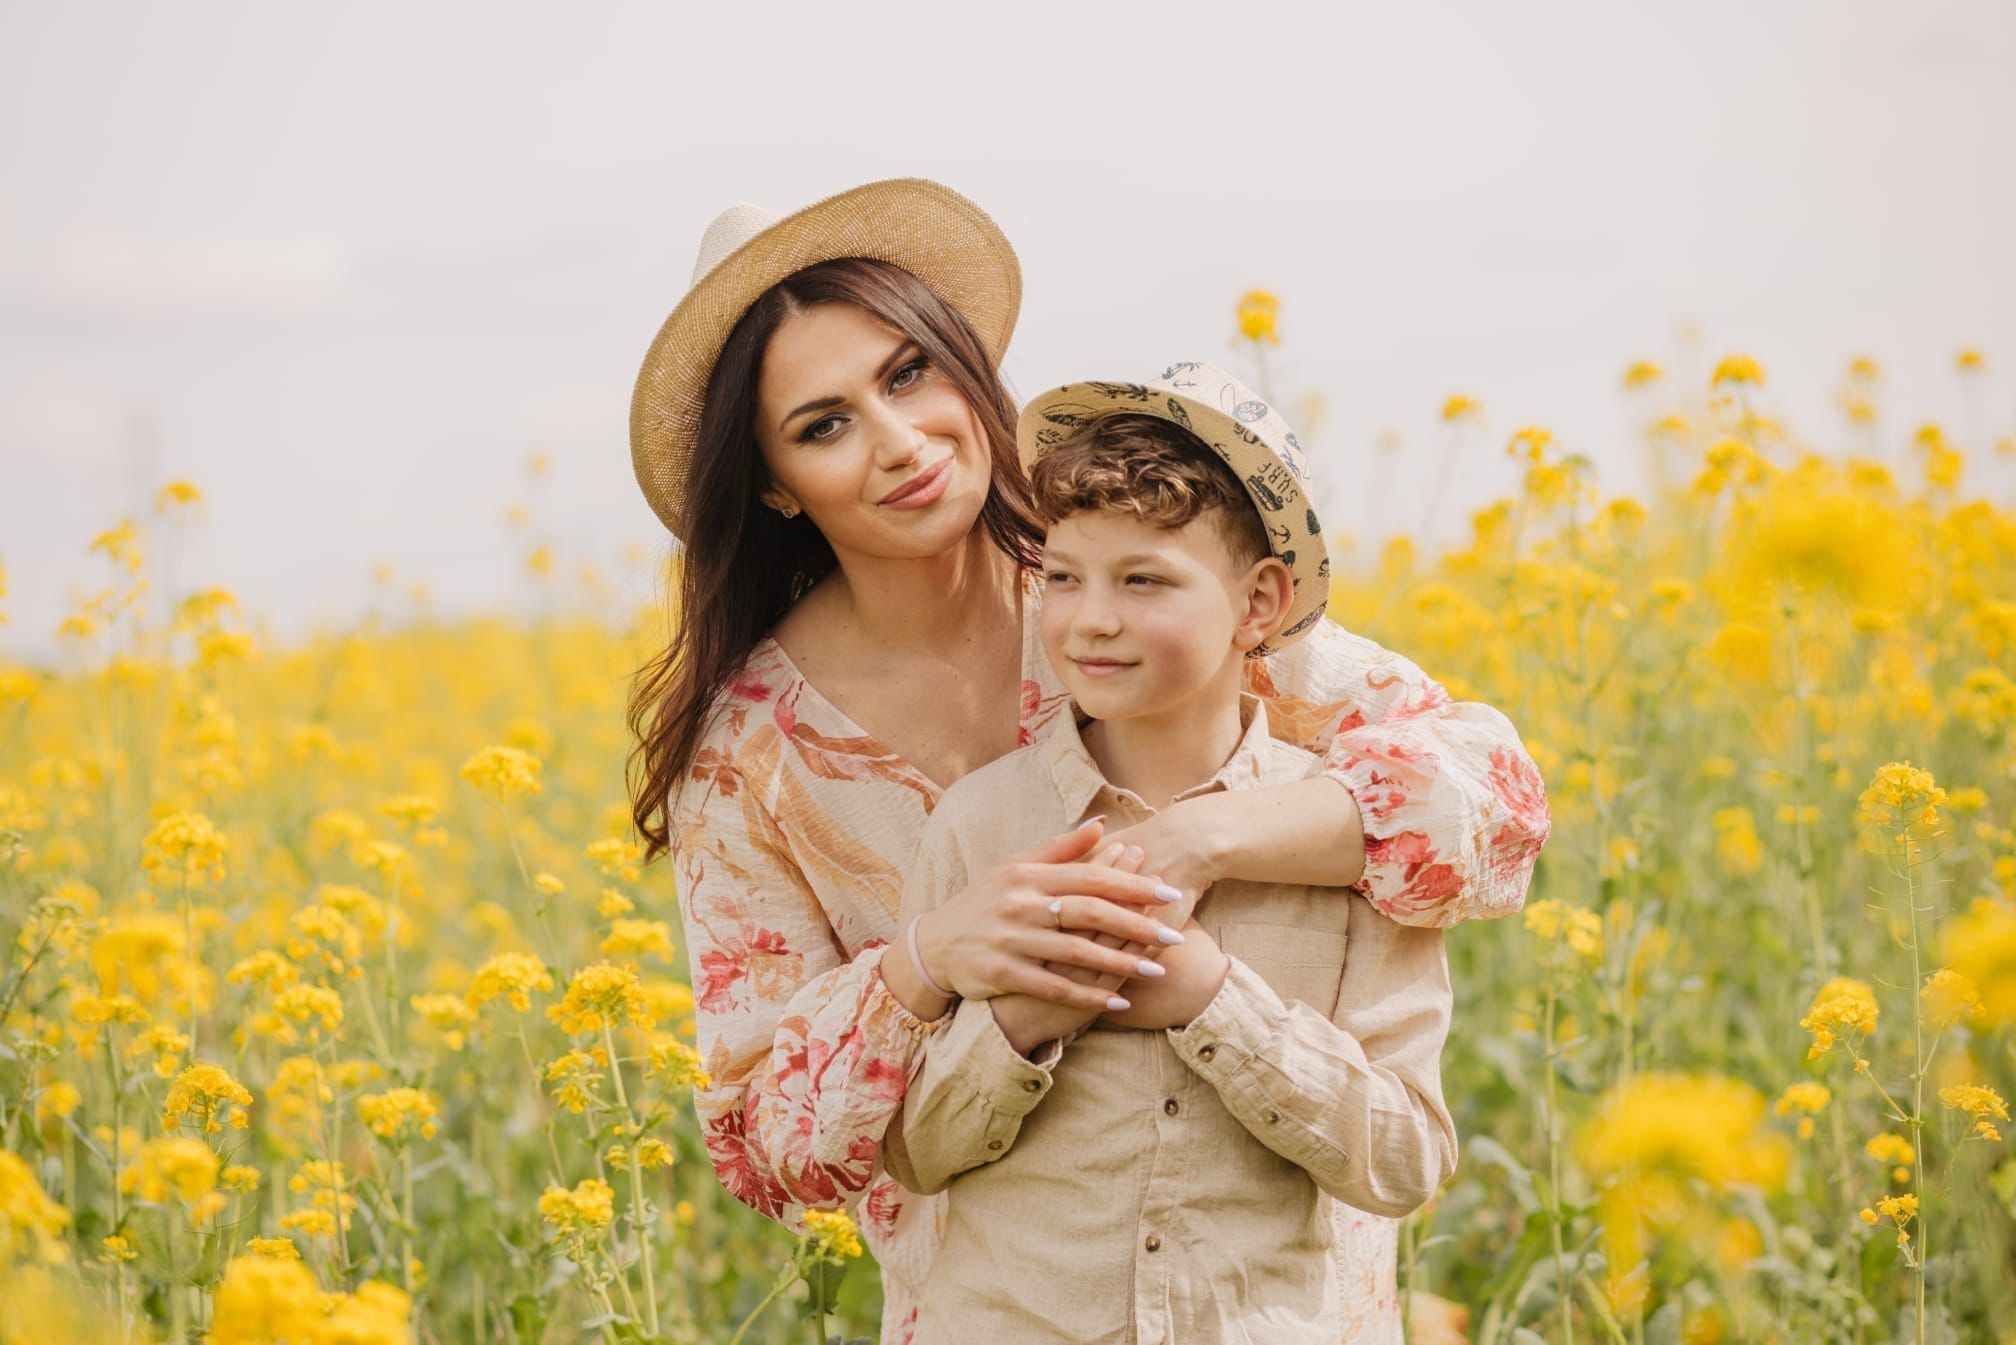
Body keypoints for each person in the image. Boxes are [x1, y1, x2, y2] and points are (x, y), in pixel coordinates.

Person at [625, 178, 1551, 1344]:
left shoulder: (1133, 596)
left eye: (908, 374)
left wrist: (1199, 841)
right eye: (824, 425)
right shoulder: (750, 755)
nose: (899, 441)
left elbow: (1495, 811)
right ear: (773, 485)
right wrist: (930, 959)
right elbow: (765, 1149)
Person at [881, 367, 1459, 1342]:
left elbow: (1408, 1159)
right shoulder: (980, 824)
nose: (1091, 618)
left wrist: (1211, 1000)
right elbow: (913, 1153)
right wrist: (1026, 1017)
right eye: (1065, 577)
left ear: (1258, 604)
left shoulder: (1350, 845)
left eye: (1143, 579)